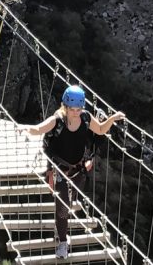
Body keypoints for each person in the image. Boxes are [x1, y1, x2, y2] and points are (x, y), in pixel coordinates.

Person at [23, 85, 125, 259]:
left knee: (70, 203)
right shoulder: (58, 120)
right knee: (62, 208)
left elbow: (100, 129)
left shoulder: (85, 118)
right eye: (72, 109)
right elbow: (39, 129)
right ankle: (63, 242)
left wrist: (112, 119)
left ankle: (60, 224)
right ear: (65, 106)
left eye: (78, 109)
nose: (75, 113)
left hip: (78, 170)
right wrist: (23, 128)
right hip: (60, 170)